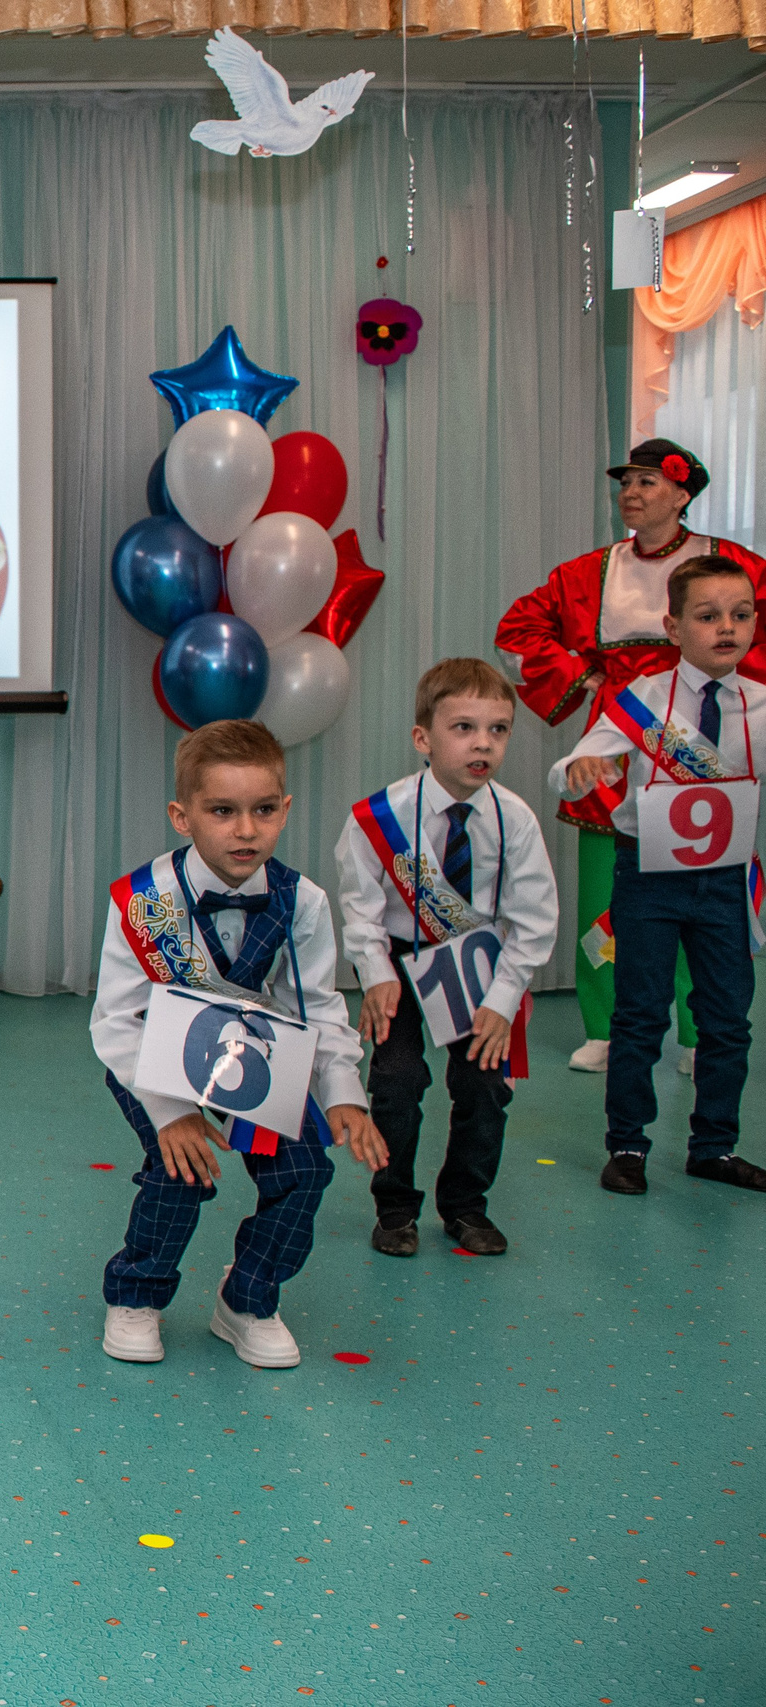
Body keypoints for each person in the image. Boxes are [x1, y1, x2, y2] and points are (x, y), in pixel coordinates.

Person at [90, 719, 385, 1369]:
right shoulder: (144, 900)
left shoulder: (303, 901)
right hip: (152, 1056)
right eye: (222, 810)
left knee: (305, 1169)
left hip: (253, 1055)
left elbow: (320, 1007)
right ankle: (136, 1293)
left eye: (262, 810)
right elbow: (116, 1020)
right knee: (181, 1166)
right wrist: (174, 1113)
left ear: (285, 810)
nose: (245, 829)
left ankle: (247, 1300)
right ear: (182, 814)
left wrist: (344, 1093)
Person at [494, 438, 766, 1073]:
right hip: (620, 740)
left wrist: (729, 680)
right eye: (627, 483)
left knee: (707, 893)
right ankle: (606, 1026)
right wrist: (583, 678)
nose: (632, 494)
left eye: (647, 482)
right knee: (605, 899)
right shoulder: (590, 571)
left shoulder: (731, 566)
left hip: (705, 744)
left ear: (681, 493)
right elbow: (518, 631)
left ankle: (700, 1032)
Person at [554, 555, 766, 1199]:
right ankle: (627, 1144)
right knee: (641, 1014)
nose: (726, 627)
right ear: (673, 626)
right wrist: (580, 771)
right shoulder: (643, 700)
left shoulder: (760, 705)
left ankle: (715, 1146)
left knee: (729, 1019)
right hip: (649, 875)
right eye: (707, 616)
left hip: (726, 880)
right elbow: (577, 757)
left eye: (741, 614)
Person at [334, 659, 557, 1259]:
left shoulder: (516, 821)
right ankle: (395, 1207)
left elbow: (534, 921)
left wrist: (503, 1001)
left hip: (479, 971)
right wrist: (376, 974)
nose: (482, 743)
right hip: (401, 967)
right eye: (463, 728)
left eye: (499, 729)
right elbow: (361, 909)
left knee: (484, 1088)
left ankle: (465, 1206)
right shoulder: (378, 819)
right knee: (398, 1084)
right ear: (423, 739)